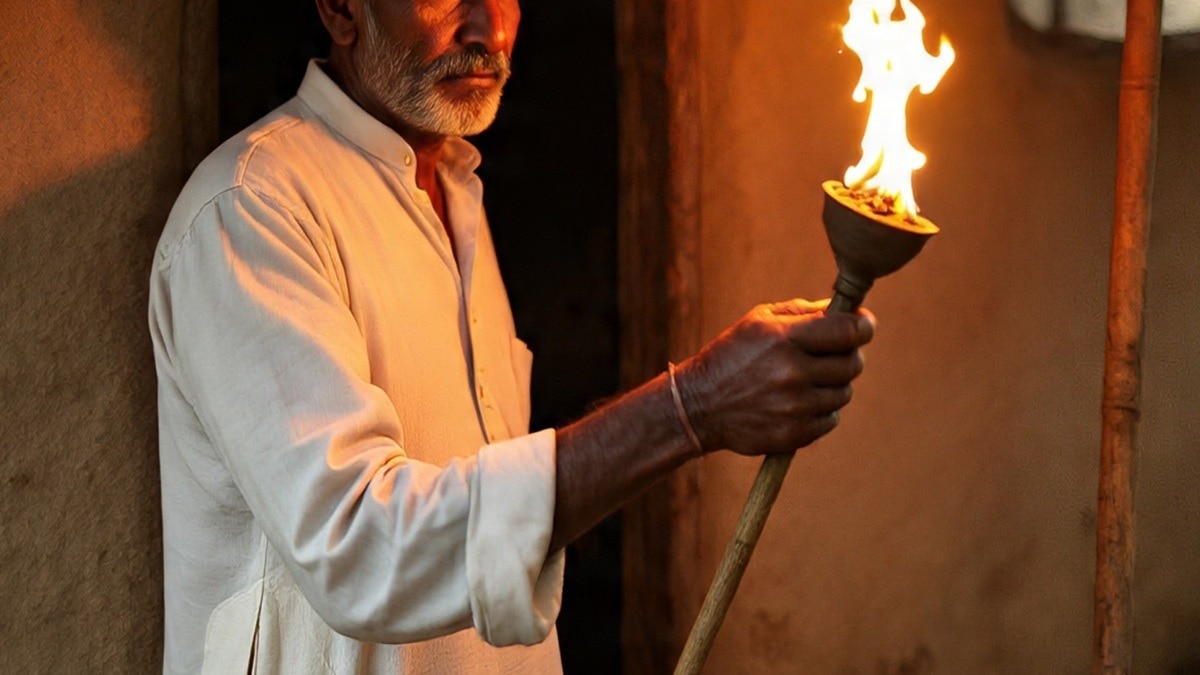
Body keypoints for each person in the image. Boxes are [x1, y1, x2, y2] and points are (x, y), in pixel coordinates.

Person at [147, 0, 875, 672]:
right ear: (340, 6)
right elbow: (361, 549)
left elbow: (479, 486)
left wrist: (708, 401)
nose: (487, 30)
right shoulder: (251, 207)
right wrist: (691, 407)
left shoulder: (454, 189)